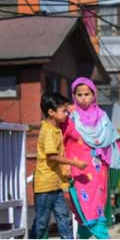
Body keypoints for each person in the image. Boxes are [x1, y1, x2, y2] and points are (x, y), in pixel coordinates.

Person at [62, 77, 120, 239]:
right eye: (79, 95)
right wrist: (65, 164)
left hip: (100, 170)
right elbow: (61, 141)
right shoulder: (70, 118)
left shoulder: (102, 117)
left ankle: (83, 236)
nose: (83, 98)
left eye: (87, 94)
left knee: (97, 205)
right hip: (79, 170)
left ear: (94, 95)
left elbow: (114, 140)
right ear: (74, 96)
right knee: (85, 206)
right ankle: (103, 236)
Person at [30, 93, 86, 239]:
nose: (66, 114)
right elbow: (52, 156)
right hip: (45, 186)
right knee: (42, 222)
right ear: (51, 112)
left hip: (57, 185)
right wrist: (74, 163)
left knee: (64, 218)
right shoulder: (47, 131)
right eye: (63, 111)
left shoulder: (56, 130)